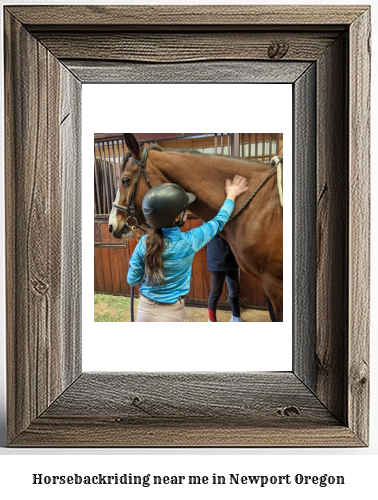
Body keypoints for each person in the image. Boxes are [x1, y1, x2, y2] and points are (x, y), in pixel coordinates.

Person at [127, 175, 248, 322]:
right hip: (172, 313)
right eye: (184, 209)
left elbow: (132, 280)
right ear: (177, 217)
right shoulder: (189, 241)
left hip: (144, 310)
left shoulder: (143, 243)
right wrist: (231, 196)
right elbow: (219, 220)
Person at [207, 234, 245, 322]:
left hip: (230, 256)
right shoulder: (209, 221)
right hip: (217, 257)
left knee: (234, 288)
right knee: (215, 292)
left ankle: (236, 318)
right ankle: (211, 321)